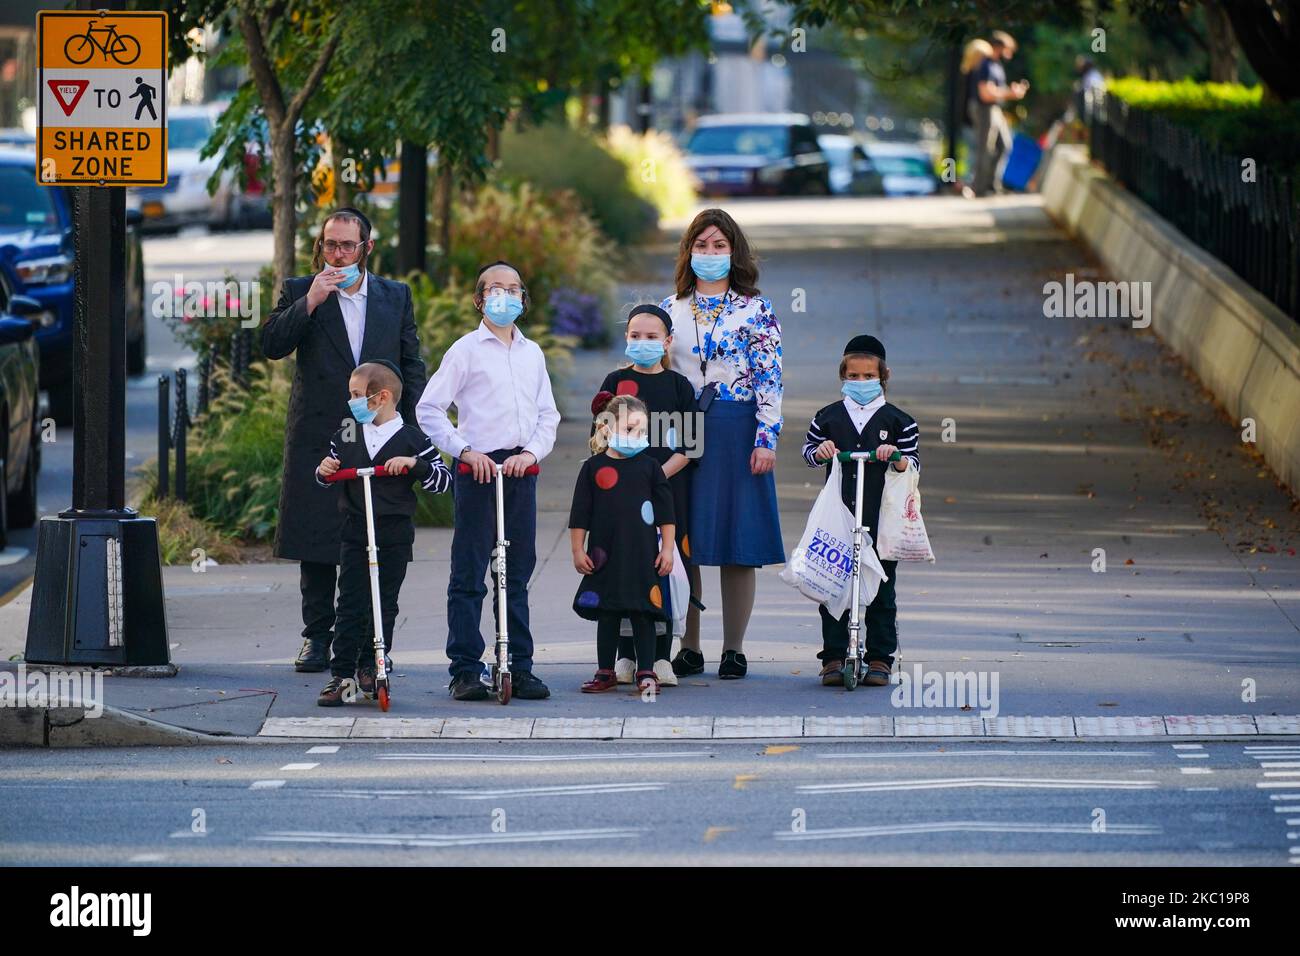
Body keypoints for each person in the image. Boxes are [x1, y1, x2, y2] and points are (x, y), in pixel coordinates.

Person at [262, 207, 427, 674]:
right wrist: (309, 301)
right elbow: (272, 344)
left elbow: (410, 363)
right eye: (329, 244)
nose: (336, 254)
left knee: (372, 535)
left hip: (379, 432)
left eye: (346, 245)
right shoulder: (301, 290)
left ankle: (371, 639)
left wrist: (408, 432)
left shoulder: (394, 296)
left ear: (366, 248)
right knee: (317, 536)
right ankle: (318, 637)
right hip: (319, 429)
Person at [416, 261, 560, 701]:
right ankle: (464, 668)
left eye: (514, 289)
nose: (506, 296)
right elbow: (429, 409)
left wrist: (532, 453)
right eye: (496, 288)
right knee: (470, 573)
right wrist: (464, 450)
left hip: (520, 471)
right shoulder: (465, 351)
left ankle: (519, 664)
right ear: (480, 299)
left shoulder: (532, 353)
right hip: (478, 470)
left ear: (522, 299)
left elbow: (547, 415)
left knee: (515, 573)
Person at [661, 208, 784, 680]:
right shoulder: (669, 308)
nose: (710, 254)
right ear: (688, 251)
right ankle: (688, 645)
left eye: (719, 245)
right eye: (701, 245)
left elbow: (770, 379)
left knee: (738, 541)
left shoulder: (756, 309)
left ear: (734, 252)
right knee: (684, 536)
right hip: (682, 425)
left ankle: (733, 648)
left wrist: (766, 437)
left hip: (737, 424)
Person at [313, 361, 452, 706]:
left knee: (383, 601)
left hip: (393, 531)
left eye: (358, 395)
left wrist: (413, 466)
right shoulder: (346, 433)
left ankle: (372, 662)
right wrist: (324, 469)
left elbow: (443, 480)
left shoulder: (412, 438)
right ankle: (341, 672)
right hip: (356, 529)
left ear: (383, 396)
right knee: (350, 601)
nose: (351, 402)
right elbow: (327, 470)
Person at [801, 335, 919, 687]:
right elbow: (809, 452)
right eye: (853, 376)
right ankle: (834, 656)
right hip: (839, 512)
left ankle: (881, 657)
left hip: (881, 517)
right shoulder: (828, 416)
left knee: (882, 589)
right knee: (833, 584)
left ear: (883, 376)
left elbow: (912, 466)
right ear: (843, 376)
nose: (861, 383)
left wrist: (894, 458)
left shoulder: (899, 422)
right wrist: (820, 452)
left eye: (869, 377)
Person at [594, 304, 699, 687]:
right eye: (635, 336)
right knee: (622, 570)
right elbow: (602, 439)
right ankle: (623, 656)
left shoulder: (678, 387)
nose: (643, 342)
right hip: (618, 500)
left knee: (662, 570)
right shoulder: (615, 381)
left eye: (652, 337)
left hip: (666, 497)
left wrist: (651, 478)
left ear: (668, 341)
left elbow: (689, 447)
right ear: (626, 339)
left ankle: (660, 655)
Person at [571, 395, 676, 695]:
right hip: (604, 556)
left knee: (643, 611)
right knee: (608, 611)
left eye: (641, 431)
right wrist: (578, 550)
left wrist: (667, 549)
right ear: (606, 427)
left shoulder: (651, 467)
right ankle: (606, 671)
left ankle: (646, 670)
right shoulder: (592, 468)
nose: (636, 437)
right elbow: (580, 514)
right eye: (629, 429)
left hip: (643, 555)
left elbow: (666, 513)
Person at [971, 30, 1029, 197]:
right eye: (1008, 49)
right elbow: (985, 93)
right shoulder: (986, 65)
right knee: (985, 148)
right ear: (999, 47)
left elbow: (995, 90)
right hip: (984, 109)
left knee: (1004, 144)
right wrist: (1010, 93)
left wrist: (1011, 91)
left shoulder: (996, 65)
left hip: (994, 109)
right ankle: (979, 188)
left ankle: (991, 184)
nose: (1009, 54)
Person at [960, 38, 995, 196]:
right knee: (978, 151)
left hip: (969, 115)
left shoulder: (970, 70)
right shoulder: (977, 71)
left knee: (976, 150)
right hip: (977, 113)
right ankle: (975, 185)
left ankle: (976, 184)